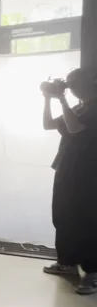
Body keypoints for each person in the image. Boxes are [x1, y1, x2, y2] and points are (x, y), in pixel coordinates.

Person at [41, 67, 97, 294]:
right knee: (63, 215)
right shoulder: (79, 106)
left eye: (73, 83)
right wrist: (46, 100)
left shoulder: (93, 108)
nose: (70, 87)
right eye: (68, 83)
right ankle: (67, 263)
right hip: (67, 168)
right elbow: (47, 125)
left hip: (88, 173)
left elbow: (75, 129)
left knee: (87, 221)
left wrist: (61, 98)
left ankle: (92, 273)